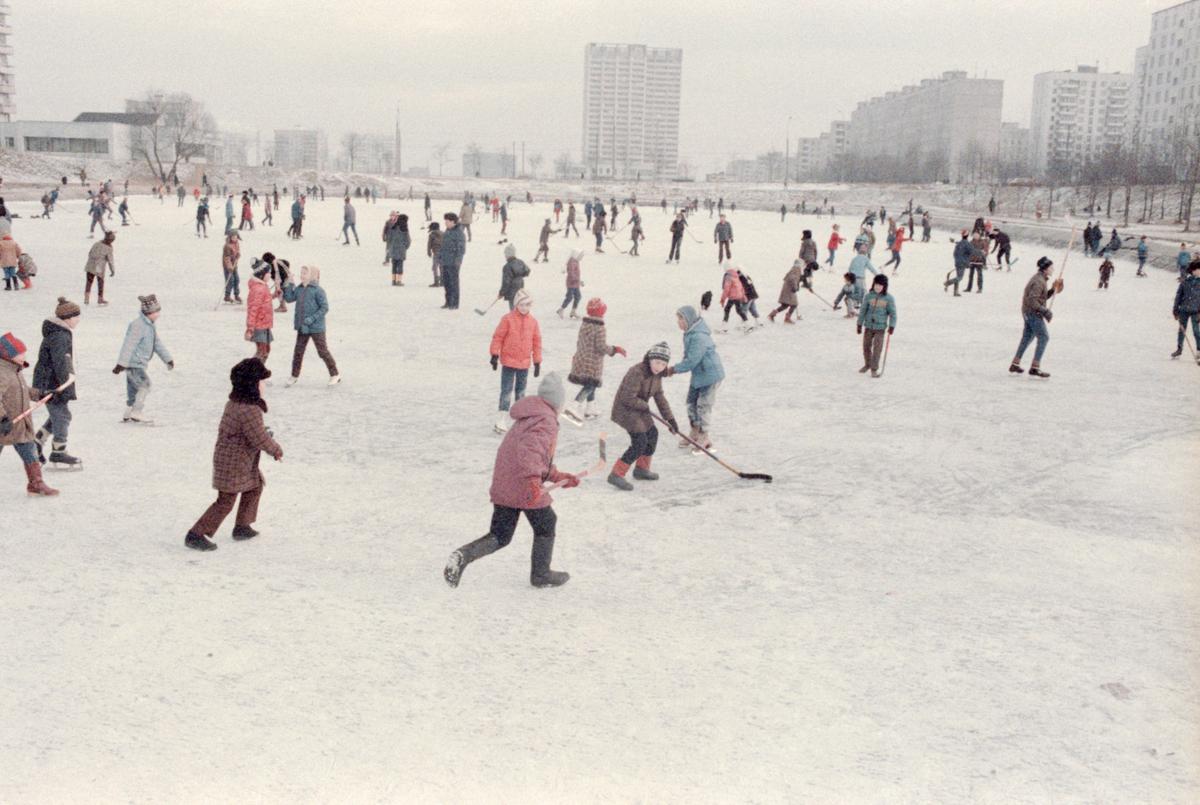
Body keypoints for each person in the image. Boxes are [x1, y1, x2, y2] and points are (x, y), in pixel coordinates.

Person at [443, 371, 574, 588]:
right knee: (546, 523)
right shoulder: (546, 420)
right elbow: (531, 455)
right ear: (556, 402)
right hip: (524, 485)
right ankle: (541, 575)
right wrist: (534, 482)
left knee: (501, 535)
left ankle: (463, 555)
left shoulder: (530, 415)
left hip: (507, 483)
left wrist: (560, 477)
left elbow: (535, 458)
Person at [184, 358, 283, 551]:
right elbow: (259, 437)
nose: (264, 385)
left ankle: (242, 526)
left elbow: (250, 431)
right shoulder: (250, 410)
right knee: (226, 501)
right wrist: (276, 450)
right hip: (234, 463)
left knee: (255, 486)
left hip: (235, 460)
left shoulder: (235, 403)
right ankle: (196, 534)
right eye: (262, 382)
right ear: (252, 385)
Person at [608, 342, 678, 491]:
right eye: (657, 362)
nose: (659, 366)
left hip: (639, 408)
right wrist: (645, 406)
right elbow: (627, 398)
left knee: (652, 434)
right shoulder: (637, 372)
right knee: (640, 441)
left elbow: (660, 398)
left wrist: (670, 419)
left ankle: (641, 469)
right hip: (625, 410)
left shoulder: (657, 375)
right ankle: (616, 474)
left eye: (663, 364)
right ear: (650, 359)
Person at [0, 332, 59, 496]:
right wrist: (2, 418)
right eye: (20, 353)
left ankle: (36, 484)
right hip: (4, 424)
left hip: (19, 425)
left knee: (30, 451)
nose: (24, 356)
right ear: (8, 356)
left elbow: (23, 390)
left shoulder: (15, 370)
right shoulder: (2, 373)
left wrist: (40, 394)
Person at [32, 298, 82, 468]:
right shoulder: (60, 336)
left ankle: (37, 442)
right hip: (52, 384)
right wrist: (64, 386)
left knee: (59, 415)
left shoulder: (59, 333)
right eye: (76, 317)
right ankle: (58, 452)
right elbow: (60, 362)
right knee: (62, 417)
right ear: (67, 318)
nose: (78, 320)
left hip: (51, 381)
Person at [667, 305, 724, 453]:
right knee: (691, 403)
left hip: (710, 374)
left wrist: (673, 369)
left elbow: (692, 361)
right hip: (699, 374)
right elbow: (688, 357)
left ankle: (704, 437)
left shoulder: (699, 336)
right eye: (677, 318)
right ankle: (694, 432)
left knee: (703, 406)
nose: (678, 322)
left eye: (680, 318)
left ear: (689, 319)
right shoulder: (689, 333)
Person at [114, 295, 174, 423]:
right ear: (148, 312)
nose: (158, 315)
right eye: (156, 312)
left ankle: (128, 412)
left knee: (133, 390)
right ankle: (137, 411)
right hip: (134, 363)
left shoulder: (149, 325)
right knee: (145, 385)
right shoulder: (138, 325)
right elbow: (128, 344)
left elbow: (156, 343)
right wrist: (121, 363)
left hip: (137, 363)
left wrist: (167, 359)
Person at [489, 289, 542, 433]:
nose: (525, 308)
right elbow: (498, 337)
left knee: (521, 392)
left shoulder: (533, 322)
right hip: (508, 362)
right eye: (522, 304)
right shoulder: (507, 319)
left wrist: (537, 361)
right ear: (516, 305)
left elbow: (537, 342)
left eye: (528, 305)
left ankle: (520, 419)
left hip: (524, 363)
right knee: (506, 391)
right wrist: (494, 355)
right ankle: (501, 418)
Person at [565, 297, 625, 423]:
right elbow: (601, 347)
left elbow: (579, 342)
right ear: (601, 312)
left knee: (591, 383)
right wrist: (615, 349)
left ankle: (590, 408)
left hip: (581, 358)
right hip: (592, 362)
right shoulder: (600, 327)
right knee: (591, 384)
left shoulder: (585, 324)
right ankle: (574, 405)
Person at [281, 266, 340, 386]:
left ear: (312, 275)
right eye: (301, 273)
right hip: (303, 327)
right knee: (298, 352)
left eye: (305, 273)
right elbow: (289, 298)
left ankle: (335, 374)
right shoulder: (299, 288)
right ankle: (294, 376)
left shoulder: (318, 290)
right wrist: (289, 284)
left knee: (322, 351)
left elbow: (324, 308)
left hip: (317, 328)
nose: (302, 275)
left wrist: (312, 319)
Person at [1009, 257, 1063, 378]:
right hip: (1032, 313)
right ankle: (1035, 367)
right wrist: (1045, 311)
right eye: (1051, 267)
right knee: (1044, 337)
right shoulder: (1039, 281)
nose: (1053, 269)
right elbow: (1033, 301)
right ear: (1045, 269)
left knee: (1027, 337)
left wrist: (1053, 290)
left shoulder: (1040, 279)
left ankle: (1015, 364)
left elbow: (1040, 298)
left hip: (1028, 312)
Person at [856, 274, 896, 378]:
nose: (877, 287)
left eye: (880, 285)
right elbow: (863, 311)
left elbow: (893, 314)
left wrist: (892, 326)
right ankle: (867, 364)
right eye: (876, 285)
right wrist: (859, 324)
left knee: (877, 348)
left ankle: (874, 368)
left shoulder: (889, 298)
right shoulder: (869, 296)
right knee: (866, 346)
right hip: (868, 326)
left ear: (884, 286)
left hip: (880, 328)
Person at [245, 261, 274, 362]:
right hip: (258, 326)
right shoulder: (258, 289)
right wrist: (250, 328)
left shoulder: (263, 286)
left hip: (264, 324)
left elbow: (265, 301)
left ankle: (258, 372)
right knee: (262, 351)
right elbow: (253, 309)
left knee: (266, 350)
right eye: (268, 273)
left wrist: (274, 295)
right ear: (262, 274)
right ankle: (252, 373)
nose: (270, 275)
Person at [1171, 260, 1200, 360]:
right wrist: (1175, 309)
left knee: (1196, 331)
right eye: (1198, 269)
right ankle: (1179, 349)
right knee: (1181, 330)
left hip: (1196, 311)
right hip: (1184, 309)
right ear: (1193, 271)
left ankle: (1199, 350)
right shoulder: (1185, 282)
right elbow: (1178, 296)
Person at [439, 213, 466, 310]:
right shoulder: (447, 231)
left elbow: (461, 249)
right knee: (446, 282)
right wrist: (440, 257)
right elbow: (443, 246)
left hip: (453, 262)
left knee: (453, 283)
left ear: (452, 222)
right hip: (445, 261)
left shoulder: (459, 233)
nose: (445, 223)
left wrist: (458, 261)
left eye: (447, 221)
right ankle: (448, 301)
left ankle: (454, 303)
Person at [769, 259, 808, 324]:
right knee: (794, 304)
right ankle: (787, 318)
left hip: (788, 289)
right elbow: (792, 278)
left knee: (785, 305)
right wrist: (795, 287)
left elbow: (795, 279)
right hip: (789, 290)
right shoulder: (796, 269)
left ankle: (772, 314)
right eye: (802, 264)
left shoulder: (795, 269)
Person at [84, 231, 116, 306]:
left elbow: (90, 253)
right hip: (99, 267)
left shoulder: (96, 243)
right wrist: (112, 270)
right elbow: (110, 260)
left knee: (89, 282)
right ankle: (100, 298)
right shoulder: (109, 248)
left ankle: (86, 298)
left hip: (90, 264)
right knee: (100, 282)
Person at [945, 229, 979, 297]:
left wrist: (958, 259)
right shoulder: (967, 244)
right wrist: (981, 253)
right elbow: (973, 252)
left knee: (958, 276)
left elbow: (955, 253)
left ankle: (955, 292)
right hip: (962, 263)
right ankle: (948, 283)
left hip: (957, 262)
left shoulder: (959, 243)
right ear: (967, 235)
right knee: (960, 277)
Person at [498, 244, 531, 310]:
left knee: (513, 306)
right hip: (520, 287)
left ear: (507, 254)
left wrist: (501, 293)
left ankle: (515, 319)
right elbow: (527, 271)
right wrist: (519, 275)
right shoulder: (520, 262)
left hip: (512, 289)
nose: (505, 255)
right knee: (519, 304)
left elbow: (506, 282)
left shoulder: (507, 266)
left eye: (505, 254)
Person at [385, 213, 411, 286]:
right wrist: (405, 247)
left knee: (394, 265)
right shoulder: (405, 229)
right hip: (401, 250)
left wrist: (390, 246)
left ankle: (393, 280)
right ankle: (399, 281)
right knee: (400, 265)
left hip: (393, 249)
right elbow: (408, 241)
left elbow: (389, 238)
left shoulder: (393, 227)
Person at [558, 250, 584, 319]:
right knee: (569, 297)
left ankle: (573, 311)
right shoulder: (572, 263)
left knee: (578, 296)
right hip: (571, 283)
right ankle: (561, 309)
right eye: (580, 256)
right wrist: (579, 281)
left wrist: (579, 281)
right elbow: (571, 274)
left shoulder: (576, 262)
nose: (581, 258)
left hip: (576, 283)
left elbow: (576, 273)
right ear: (576, 255)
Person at [222, 232, 243, 304]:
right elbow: (226, 258)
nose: (235, 238)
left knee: (237, 279)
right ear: (230, 237)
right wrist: (229, 267)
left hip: (234, 265)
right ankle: (227, 296)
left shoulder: (237, 243)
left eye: (236, 237)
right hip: (228, 266)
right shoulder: (227, 246)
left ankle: (236, 295)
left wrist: (238, 255)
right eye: (233, 237)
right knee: (230, 280)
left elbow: (237, 252)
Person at [426, 222, 443, 287]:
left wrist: (429, 252)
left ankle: (436, 281)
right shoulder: (443, 233)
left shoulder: (432, 234)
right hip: (444, 252)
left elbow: (429, 244)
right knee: (442, 266)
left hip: (436, 252)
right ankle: (442, 281)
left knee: (435, 267)